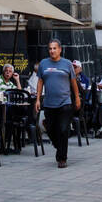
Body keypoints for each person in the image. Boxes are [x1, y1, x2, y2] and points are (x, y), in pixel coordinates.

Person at [35, 38, 81, 169]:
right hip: (49, 103)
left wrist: (77, 98)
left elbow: (73, 82)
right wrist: (38, 99)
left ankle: (62, 158)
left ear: (60, 49)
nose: (52, 51)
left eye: (54, 48)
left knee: (63, 129)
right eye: (50, 48)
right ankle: (58, 146)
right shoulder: (43, 64)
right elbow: (40, 82)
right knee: (50, 130)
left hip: (65, 102)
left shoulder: (67, 64)